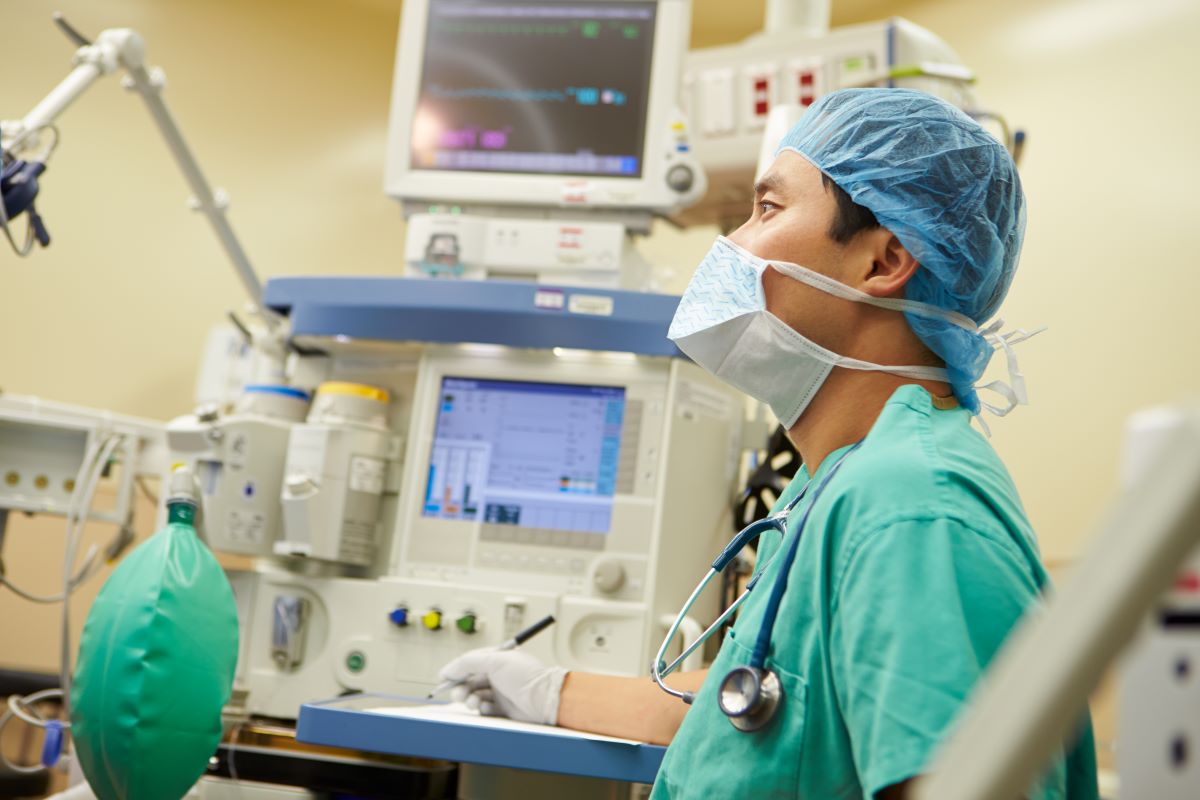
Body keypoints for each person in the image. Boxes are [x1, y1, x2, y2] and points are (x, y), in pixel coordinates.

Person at [438, 88, 1099, 799]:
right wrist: (546, 689)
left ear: (884, 262)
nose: (730, 247)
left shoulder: (913, 508)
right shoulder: (834, 483)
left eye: (768, 210)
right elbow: (756, 699)